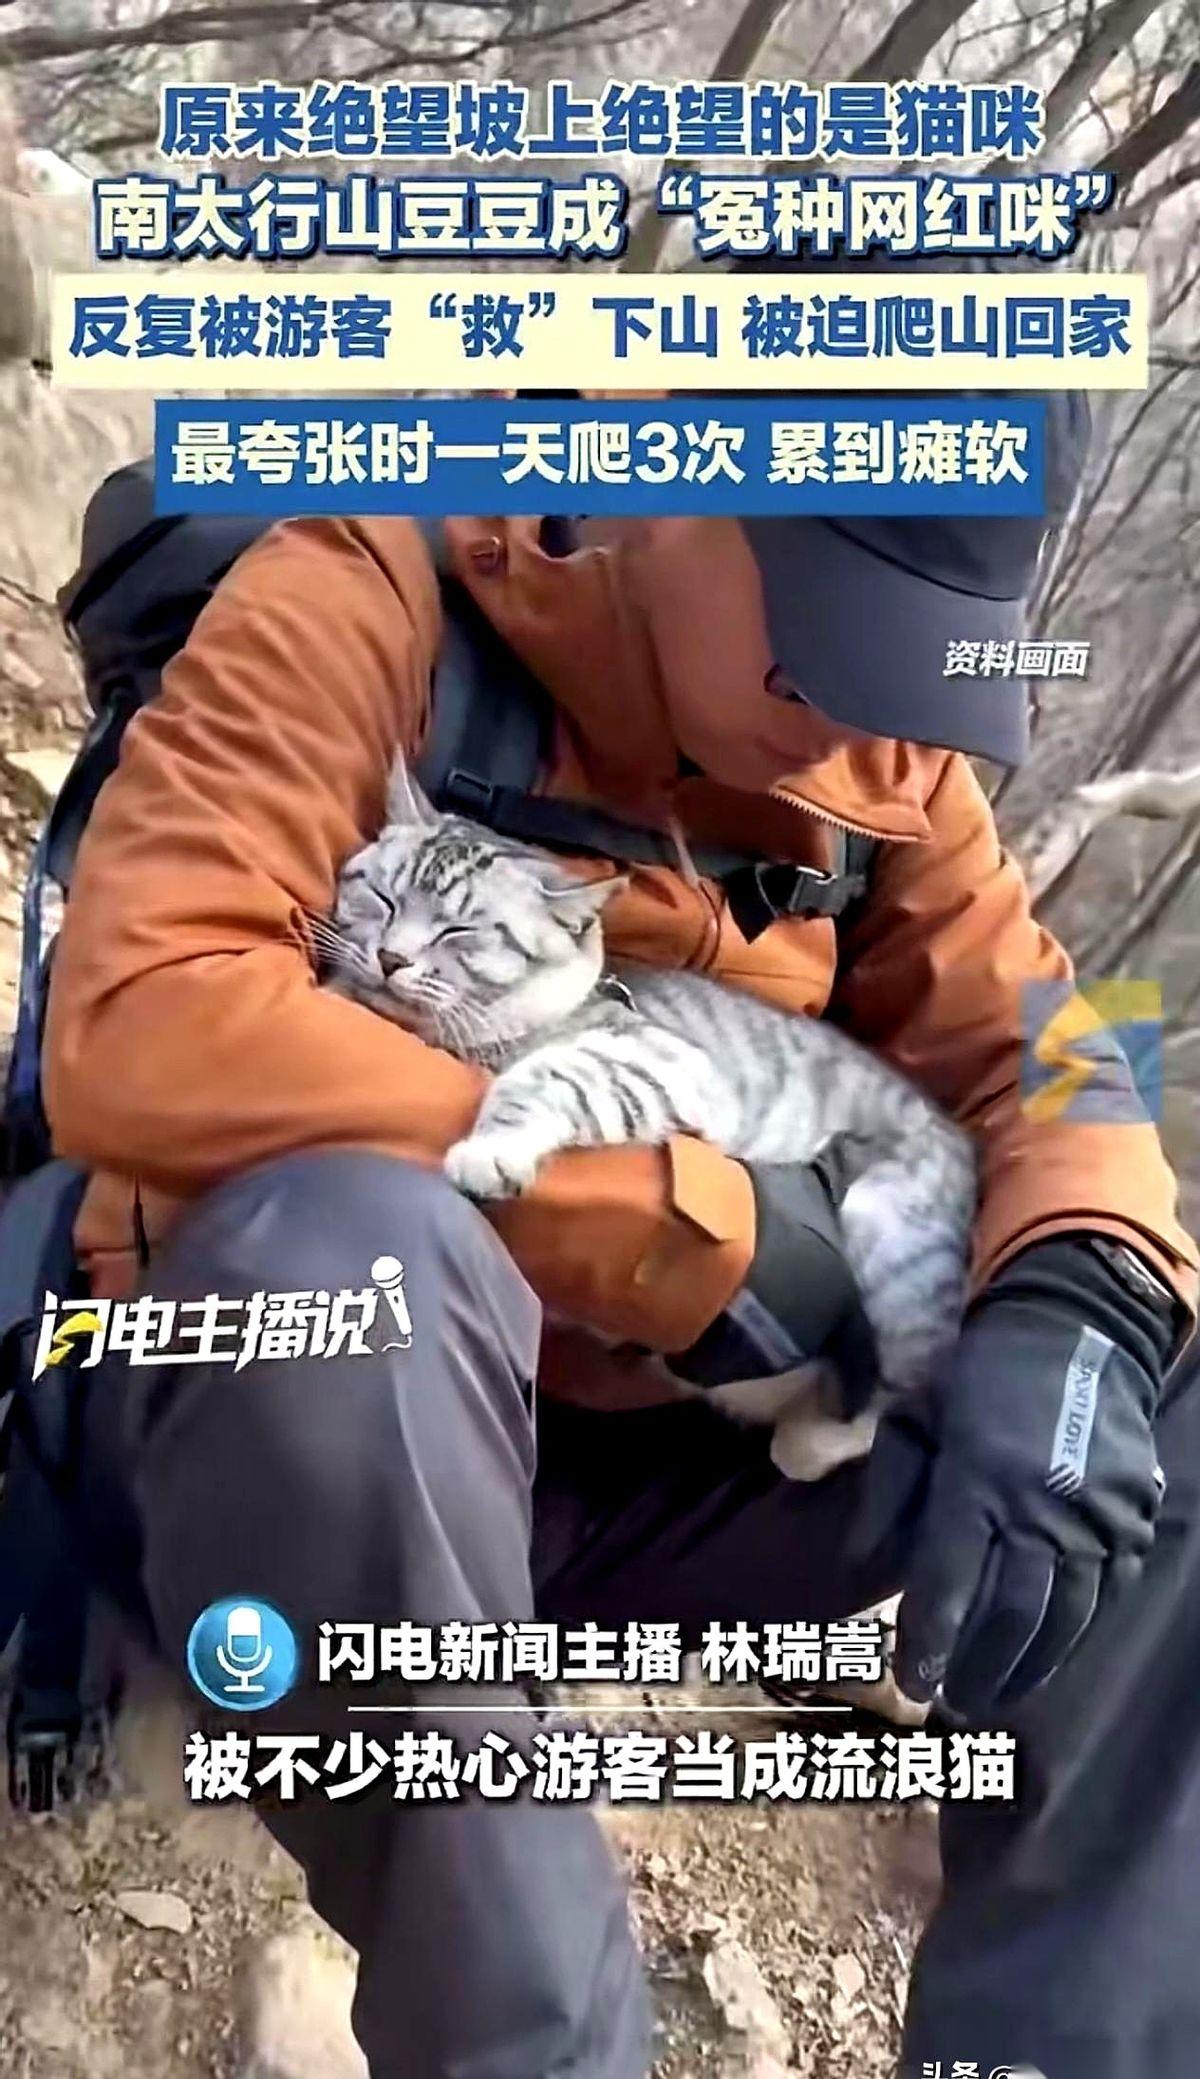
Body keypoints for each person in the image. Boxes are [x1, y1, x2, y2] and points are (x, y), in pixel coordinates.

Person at [41, 399, 1199, 2079]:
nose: (866, 743)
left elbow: (1065, 1056)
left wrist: (1080, 1294)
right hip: (291, 1464)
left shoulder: (880, 771)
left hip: (627, 1494)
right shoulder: (374, 582)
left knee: (1147, 1393)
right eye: (825, 653)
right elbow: (146, 1018)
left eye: (915, 675)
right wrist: (677, 1230)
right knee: (352, 1258)